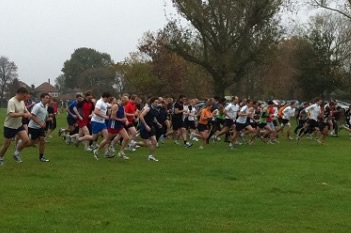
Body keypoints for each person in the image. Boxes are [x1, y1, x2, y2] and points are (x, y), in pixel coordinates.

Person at [0, 87, 31, 165]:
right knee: (7, 144)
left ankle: (16, 154)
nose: (25, 98)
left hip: (18, 125)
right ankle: (0, 158)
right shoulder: (12, 101)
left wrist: (28, 114)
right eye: (24, 96)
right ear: (19, 94)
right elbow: (12, 114)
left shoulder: (22, 101)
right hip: (9, 126)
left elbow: (25, 111)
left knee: (26, 140)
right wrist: (23, 114)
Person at [27, 93, 51, 162]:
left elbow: (43, 115)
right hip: (33, 127)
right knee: (32, 142)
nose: (48, 99)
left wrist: (44, 122)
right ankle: (20, 145)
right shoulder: (37, 106)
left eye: (48, 98)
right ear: (42, 98)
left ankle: (41, 157)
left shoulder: (46, 106)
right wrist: (40, 123)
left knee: (42, 140)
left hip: (40, 127)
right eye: (46, 98)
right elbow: (32, 116)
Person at [139, 97, 163, 161]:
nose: (157, 103)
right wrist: (146, 125)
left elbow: (153, 118)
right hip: (144, 127)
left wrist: (158, 123)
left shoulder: (154, 109)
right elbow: (141, 116)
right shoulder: (148, 108)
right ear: (152, 102)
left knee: (154, 142)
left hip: (151, 127)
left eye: (158, 102)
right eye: (156, 102)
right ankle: (135, 143)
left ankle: (151, 156)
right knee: (147, 144)